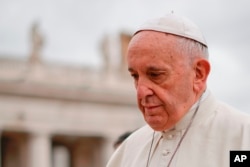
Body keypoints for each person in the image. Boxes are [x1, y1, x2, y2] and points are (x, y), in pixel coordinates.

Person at [106, 13, 250, 167]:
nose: (141, 92)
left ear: (198, 74)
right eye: (135, 76)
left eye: (155, 75)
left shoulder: (243, 138)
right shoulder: (128, 150)